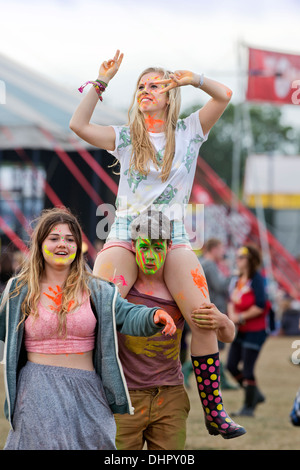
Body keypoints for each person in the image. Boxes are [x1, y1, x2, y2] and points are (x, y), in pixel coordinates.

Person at [70, 50, 245, 438]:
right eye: (141, 86)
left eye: (155, 86)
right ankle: (89, 398)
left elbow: (225, 96)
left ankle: (215, 412)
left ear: (169, 95)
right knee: (99, 309)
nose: (146, 91)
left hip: (174, 235)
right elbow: (78, 125)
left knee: (202, 316)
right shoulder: (127, 135)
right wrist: (101, 82)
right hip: (127, 234)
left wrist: (193, 78)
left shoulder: (189, 130)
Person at [0, 208, 176, 450]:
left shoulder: (97, 289)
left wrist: (153, 316)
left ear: (78, 246)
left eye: (70, 239)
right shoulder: (19, 290)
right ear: (40, 244)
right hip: (36, 391)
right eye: (54, 238)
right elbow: (4, 328)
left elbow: (125, 314)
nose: (62, 244)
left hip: (88, 390)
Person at [113, 210, 236, 450]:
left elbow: (226, 336)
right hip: (125, 397)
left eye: (158, 248)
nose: (150, 256)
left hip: (170, 397)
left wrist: (222, 320)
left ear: (169, 247)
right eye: (144, 247)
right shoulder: (122, 290)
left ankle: (214, 410)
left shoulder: (181, 290)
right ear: (132, 246)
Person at [227, 245, 269, 417]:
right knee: (231, 365)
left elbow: (260, 305)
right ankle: (255, 394)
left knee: (248, 369)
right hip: (241, 329)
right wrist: (232, 316)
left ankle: (248, 407)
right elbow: (231, 300)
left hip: (256, 330)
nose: (237, 260)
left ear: (250, 260)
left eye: (241, 257)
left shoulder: (257, 279)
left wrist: (240, 317)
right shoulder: (237, 279)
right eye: (237, 257)